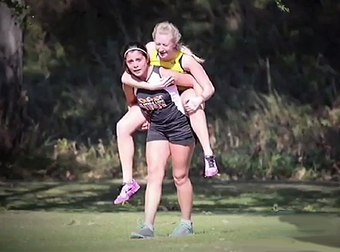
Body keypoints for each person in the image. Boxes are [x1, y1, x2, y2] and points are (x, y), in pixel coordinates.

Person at [113, 21, 218, 205]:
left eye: (165, 45)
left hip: (183, 92)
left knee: (192, 103)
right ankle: (128, 182)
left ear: (175, 44)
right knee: (122, 127)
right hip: (155, 98)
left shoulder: (184, 59)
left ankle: (209, 155)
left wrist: (199, 99)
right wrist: (146, 91)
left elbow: (205, 86)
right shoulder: (150, 49)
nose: (160, 48)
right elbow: (125, 77)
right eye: (158, 43)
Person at [121, 41, 199, 238]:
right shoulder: (129, 82)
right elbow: (132, 103)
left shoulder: (163, 73)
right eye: (130, 61)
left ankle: (186, 224)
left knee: (180, 177)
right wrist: (143, 118)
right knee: (154, 176)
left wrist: (195, 101)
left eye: (139, 59)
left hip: (180, 127)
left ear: (147, 60)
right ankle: (148, 227)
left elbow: (192, 82)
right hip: (157, 130)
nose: (135, 64)